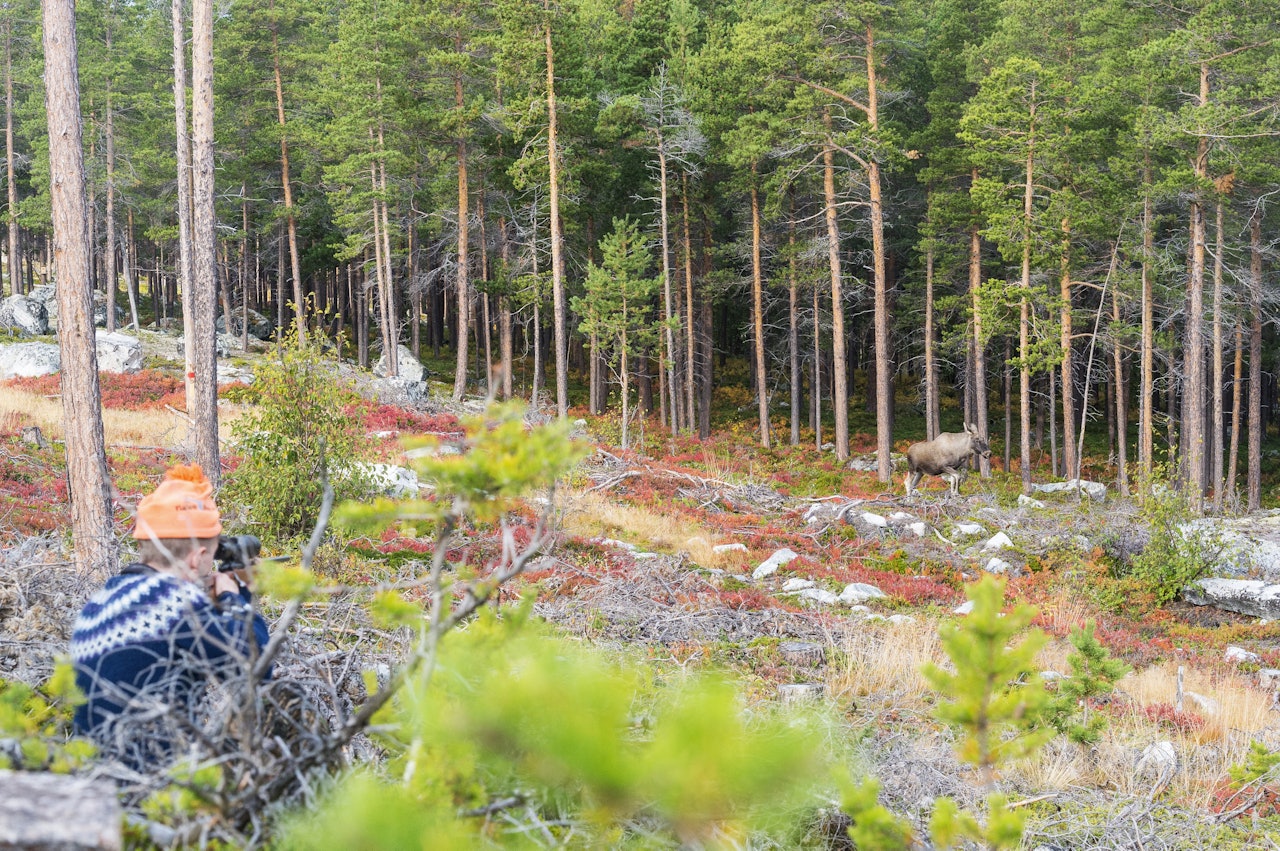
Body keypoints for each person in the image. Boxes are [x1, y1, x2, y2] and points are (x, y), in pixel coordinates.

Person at [71, 464, 270, 766]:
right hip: (153, 793)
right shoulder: (174, 602)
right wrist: (235, 594)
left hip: (92, 780)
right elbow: (256, 667)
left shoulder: (99, 603)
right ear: (198, 557)